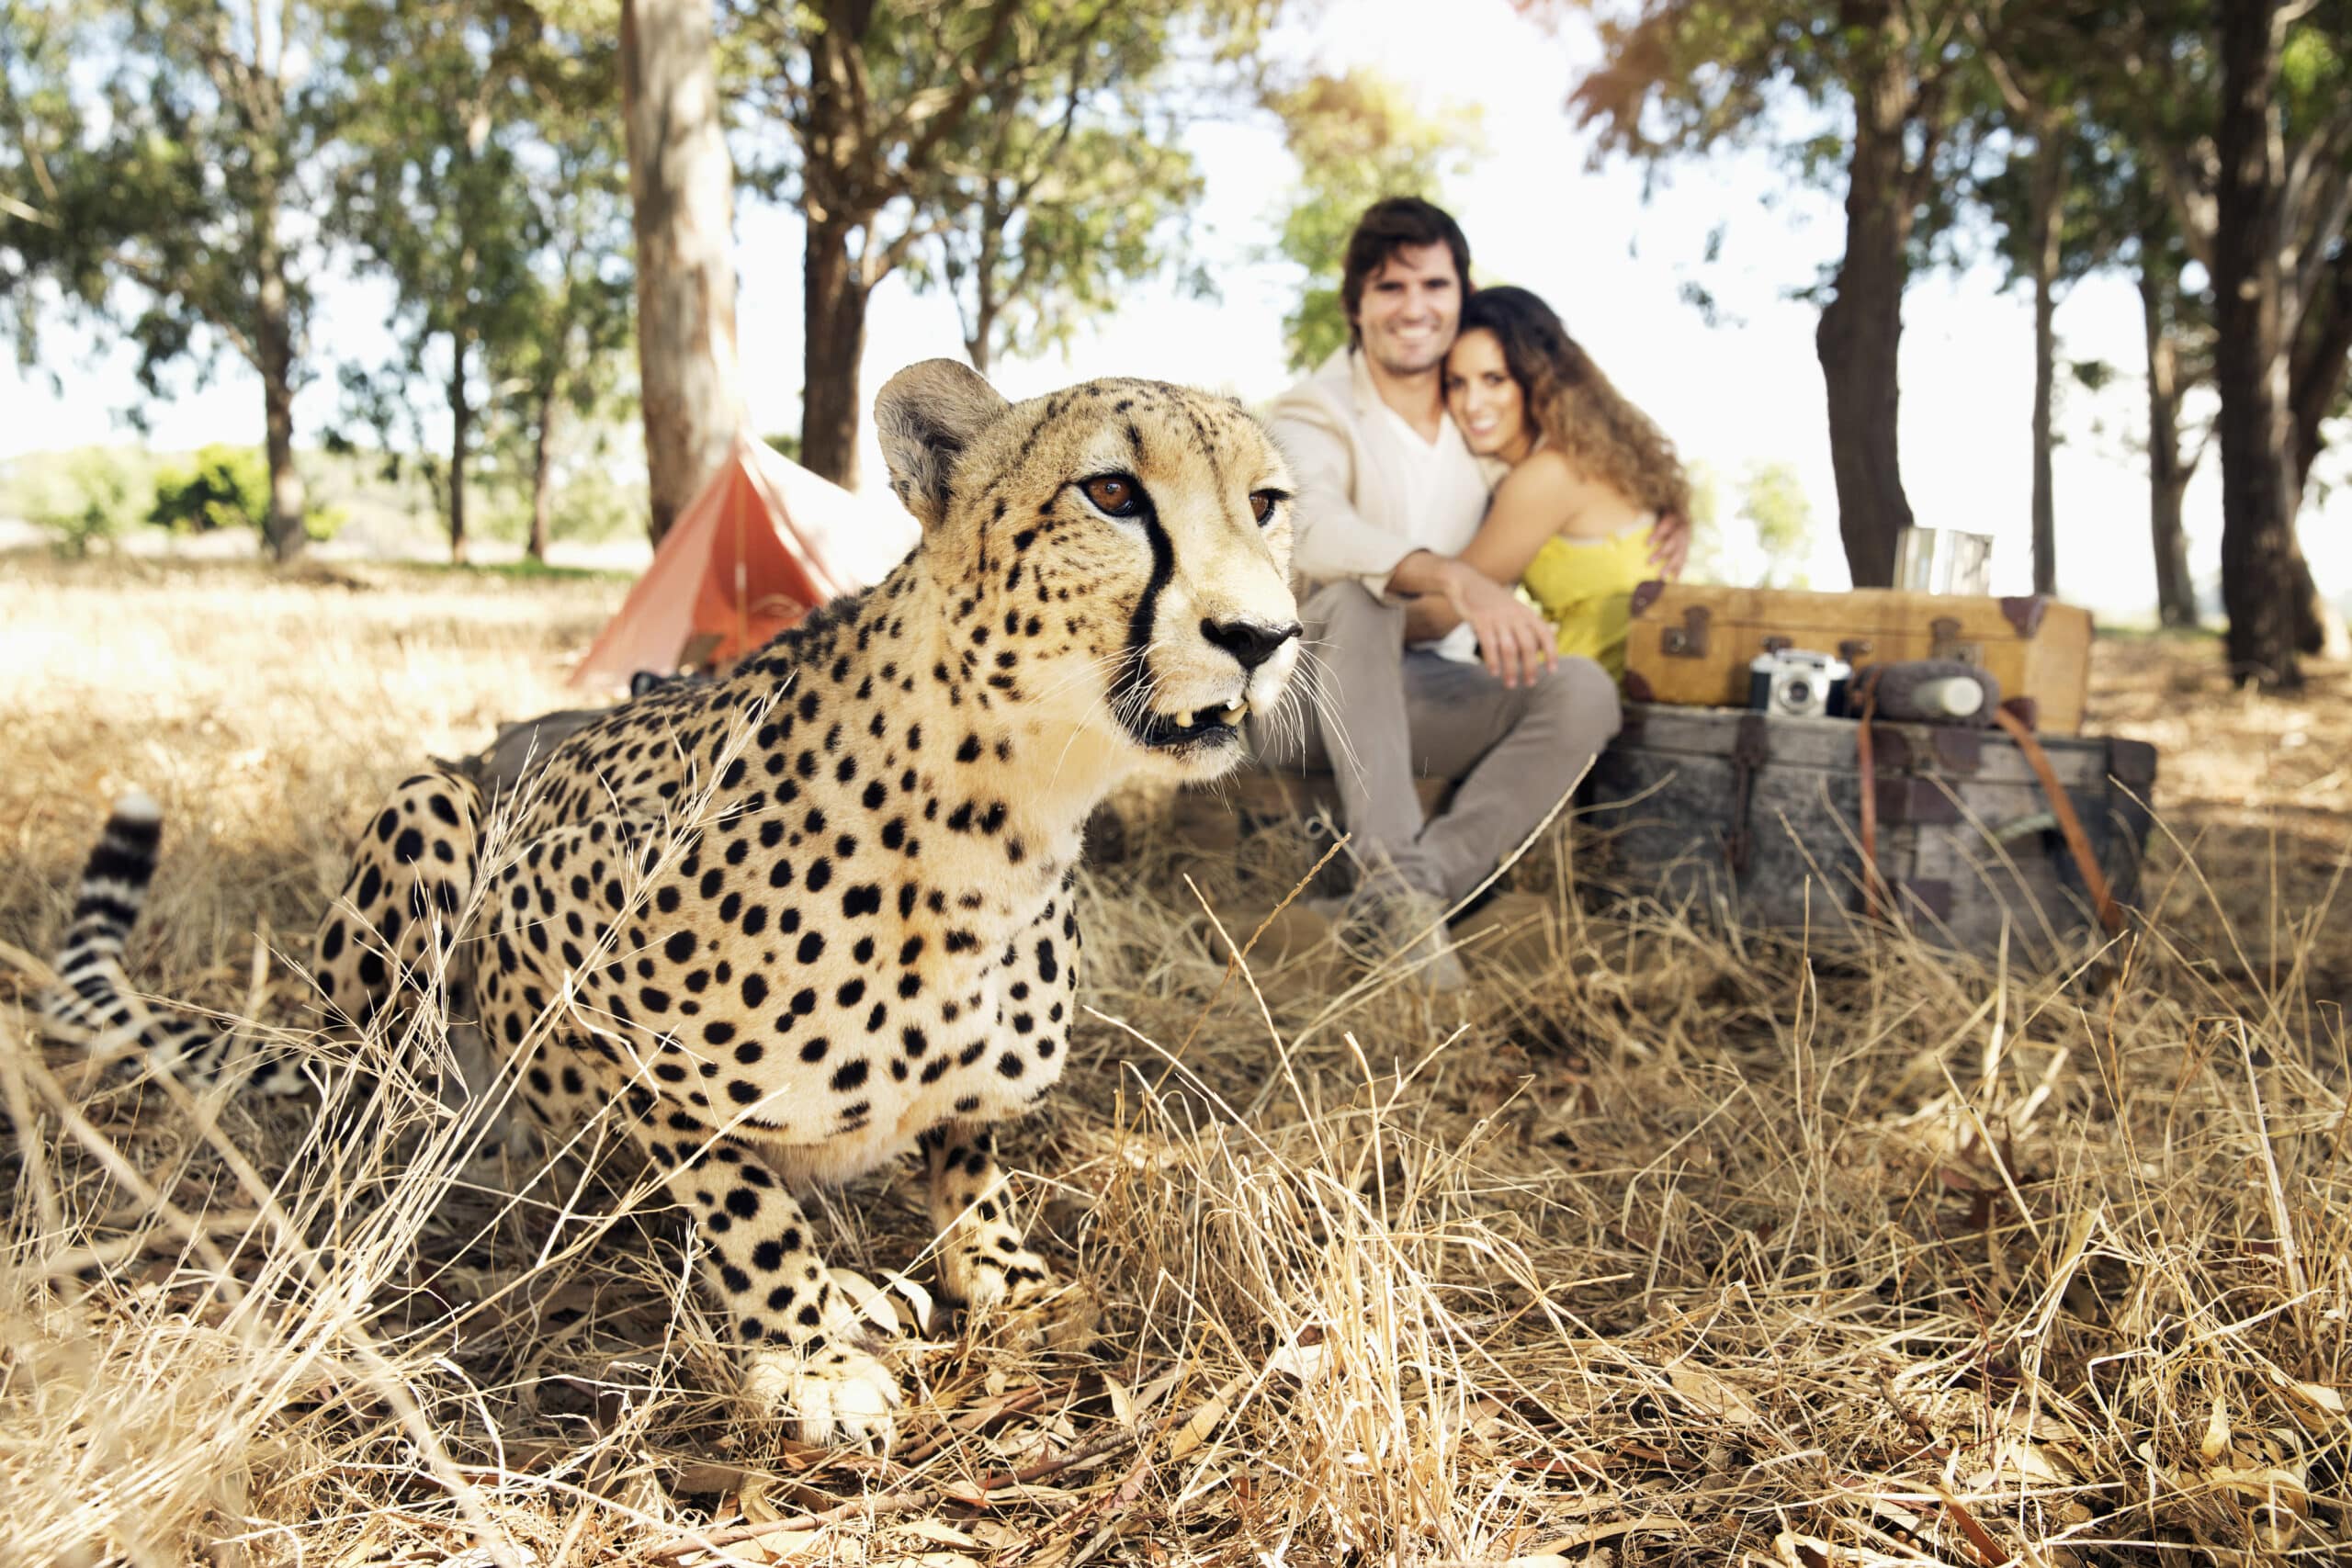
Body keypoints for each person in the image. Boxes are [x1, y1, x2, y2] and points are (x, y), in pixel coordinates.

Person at [1253, 198, 1687, 988]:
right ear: (1356, 304)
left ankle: (1404, 900)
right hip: (1302, 703)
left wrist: (1668, 516)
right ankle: (1393, 882)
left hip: (1415, 702)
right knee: (1357, 599)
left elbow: (1584, 478)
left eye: (1433, 284)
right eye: (1389, 287)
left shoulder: (1477, 427)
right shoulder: (1314, 411)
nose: (1414, 307)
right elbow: (1309, 525)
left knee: (1583, 687)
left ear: (1462, 292)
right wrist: (1450, 573)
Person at [1439, 285, 1690, 681]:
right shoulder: (1589, 453)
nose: (1472, 404)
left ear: (1535, 378)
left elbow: (1440, 612)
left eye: (1494, 379)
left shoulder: (1549, 475)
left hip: (1602, 703)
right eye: (1456, 383)